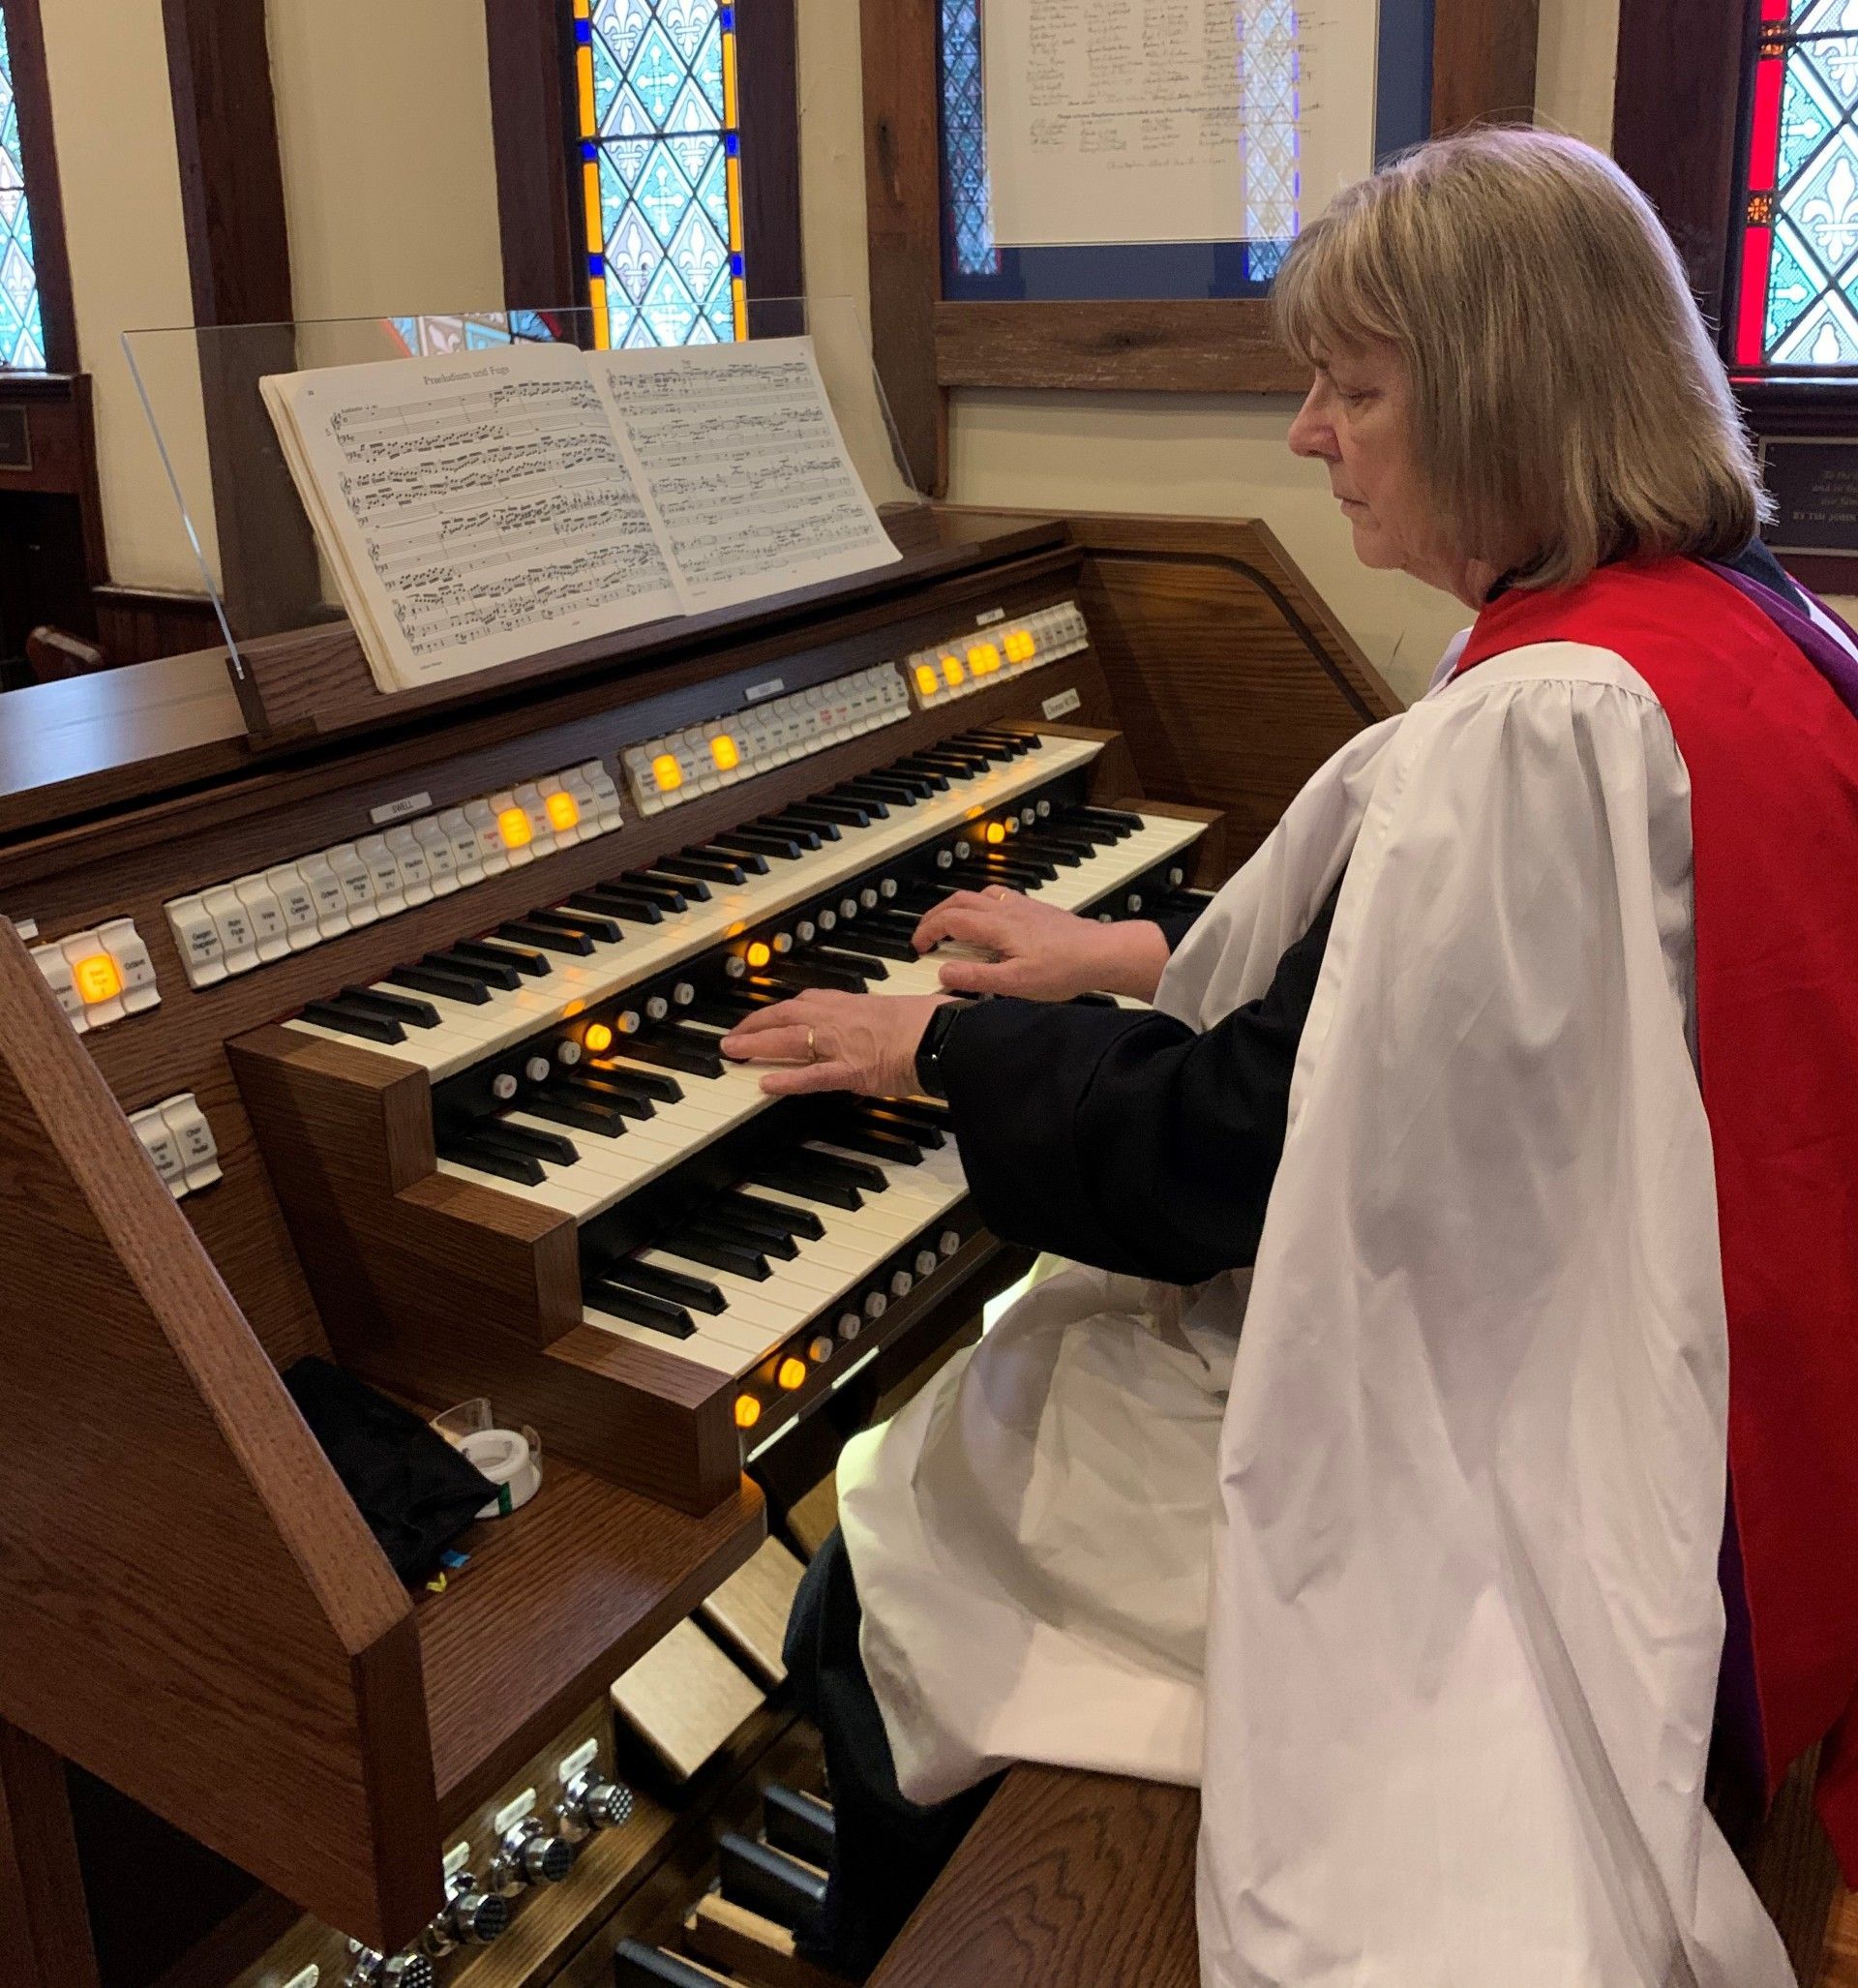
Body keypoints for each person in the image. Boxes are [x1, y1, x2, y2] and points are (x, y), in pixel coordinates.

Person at [723, 129, 1858, 1987]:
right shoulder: (1729, 626)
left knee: (903, 1512)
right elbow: (1490, 1004)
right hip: (1755, 1393)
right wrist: (1139, 952)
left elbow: (1227, 1155)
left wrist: (946, 1050)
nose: (1309, 433)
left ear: (1501, 398)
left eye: (1354, 388)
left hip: (1582, 1482)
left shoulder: (1549, 712)